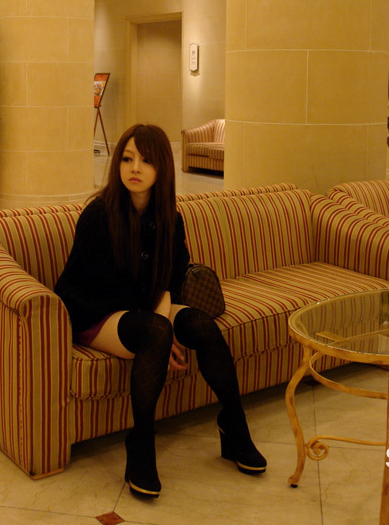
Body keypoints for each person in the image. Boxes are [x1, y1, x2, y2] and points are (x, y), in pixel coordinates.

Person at [54, 123, 266, 498]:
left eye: (147, 160)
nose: (135, 168)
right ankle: (141, 442)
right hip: (94, 311)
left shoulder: (169, 217)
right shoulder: (98, 214)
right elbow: (107, 288)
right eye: (127, 158)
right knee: (155, 332)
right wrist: (161, 329)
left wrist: (162, 319)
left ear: (162, 169)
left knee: (201, 325)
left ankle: (234, 426)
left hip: (141, 309)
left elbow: (173, 275)